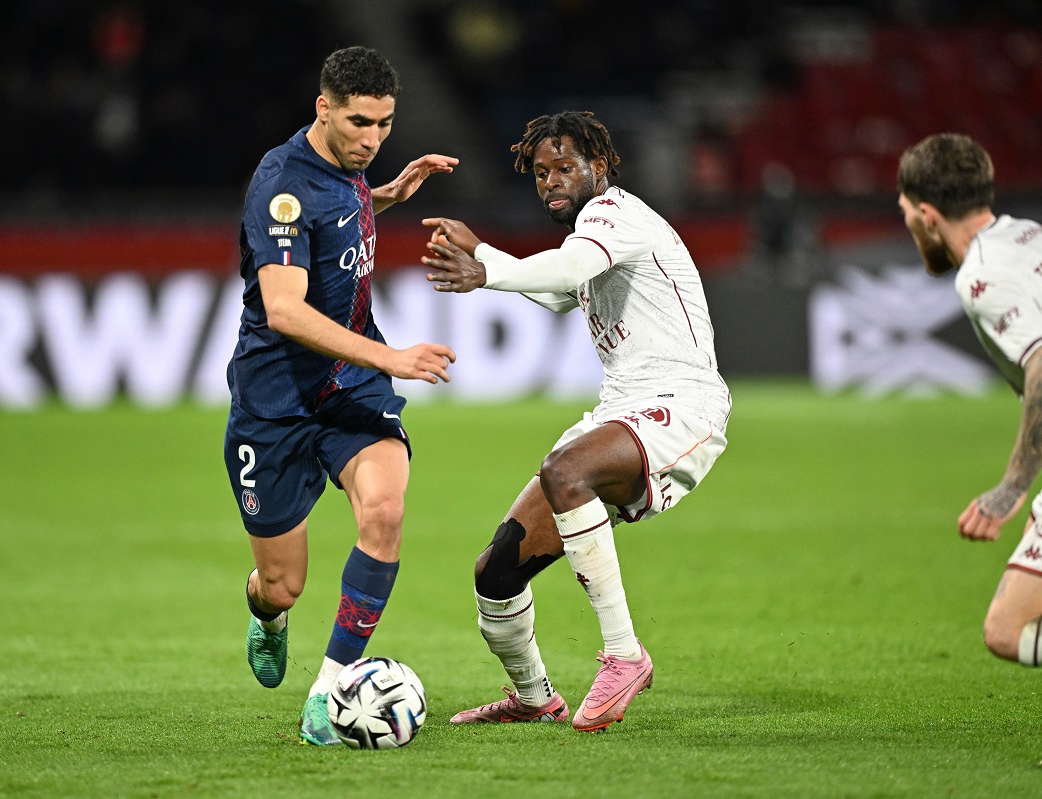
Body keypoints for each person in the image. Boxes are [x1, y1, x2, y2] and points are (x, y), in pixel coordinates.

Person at [420, 111, 731, 731]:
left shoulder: (615, 213)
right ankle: (534, 698)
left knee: (565, 471)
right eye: (541, 173)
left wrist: (485, 264)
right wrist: (483, 259)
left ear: (600, 166)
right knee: (496, 572)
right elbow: (558, 292)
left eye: (564, 167)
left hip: (681, 402)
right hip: (620, 409)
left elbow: (564, 271)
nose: (551, 181)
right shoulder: (589, 240)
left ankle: (624, 655)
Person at [227, 45, 458, 745]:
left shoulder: (349, 167)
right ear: (323, 108)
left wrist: (385, 195)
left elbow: (338, 208)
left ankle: (329, 691)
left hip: (350, 385)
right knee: (283, 584)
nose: (373, 139)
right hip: (275, 400)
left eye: (385, 124)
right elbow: (285, 310)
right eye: (360, 122)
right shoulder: (281, 185)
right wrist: (394, 356)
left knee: (385, 509)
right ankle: (266, 614)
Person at [896, 132, 1042, 667]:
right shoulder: (1030, 235)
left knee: (1008, 630)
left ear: (928, 216)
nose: (909, 226)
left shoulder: (981, 274)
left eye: (907, 213)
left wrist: (1012, 486)